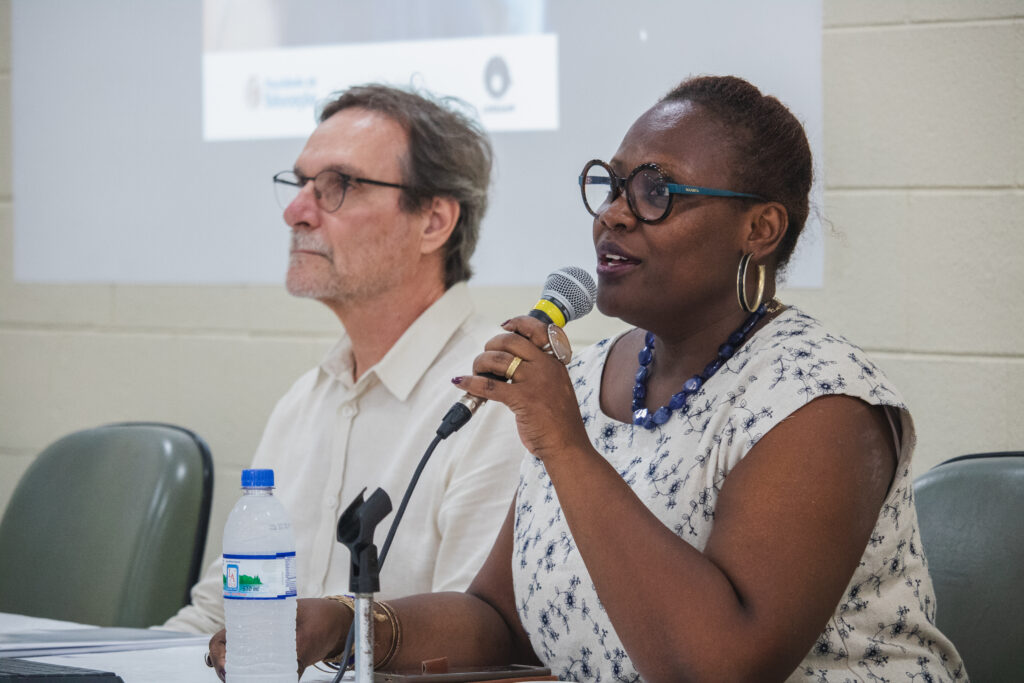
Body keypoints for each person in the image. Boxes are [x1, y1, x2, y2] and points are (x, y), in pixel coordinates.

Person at [209, 76, 968, 682]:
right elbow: (498, 618)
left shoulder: (818, 401)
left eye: (656, 192)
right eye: (611, 186)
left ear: (759, 229)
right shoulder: (594, 371)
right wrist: (353, 624)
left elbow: (722, 665)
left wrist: (567, 447)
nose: (613, 216)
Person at [165, 84, 523, 636]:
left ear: (433, 222)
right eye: (301, 183)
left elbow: (479, 648)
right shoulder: (303, 401)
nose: (296, 211)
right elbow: (217, 618)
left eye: (339, 186)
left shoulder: (501, 404)